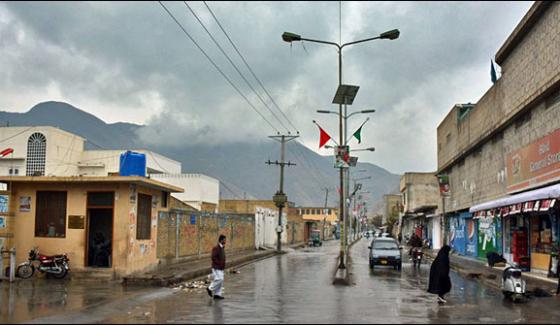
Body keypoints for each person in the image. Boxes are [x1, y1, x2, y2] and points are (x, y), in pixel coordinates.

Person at [207, 235, 226, 300]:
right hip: (216, 267)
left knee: (221, 281)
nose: (225, 241)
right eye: (224, 240)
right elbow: (213, 257)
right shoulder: (216, 248)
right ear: (221, 240)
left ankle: (217, 295)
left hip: (221, 267)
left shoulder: (222, 247)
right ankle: (210, 288)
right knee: (219, 279)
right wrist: (219, 264)